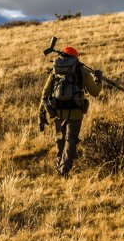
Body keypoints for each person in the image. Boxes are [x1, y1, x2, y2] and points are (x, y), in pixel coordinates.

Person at [40, 46, 102, 176]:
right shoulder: (82, 71)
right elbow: (95, 92)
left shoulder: (55, 71)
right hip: (75, 113)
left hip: (57, 112)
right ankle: (64, 169)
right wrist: (98, 79)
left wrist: (41, 113)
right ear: (75, 58)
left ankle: (59, 164)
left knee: (60, 140)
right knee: (71, 140)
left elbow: (45, 93)